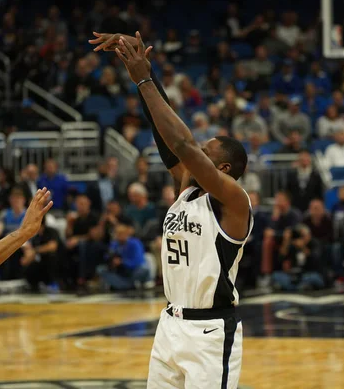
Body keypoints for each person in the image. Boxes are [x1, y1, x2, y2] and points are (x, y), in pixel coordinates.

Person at [91, 30, 253, 389]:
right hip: (169, 324)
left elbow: (182, 142)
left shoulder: (234, 200)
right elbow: (169, 138)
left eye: (206, 152)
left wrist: (144, 79)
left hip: (209, 332)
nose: (196, 151)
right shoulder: (186, 187)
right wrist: (143, 73)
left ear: (224, 170)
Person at [97, 219, 149, 290]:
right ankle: (127, 285)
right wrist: (112, 261)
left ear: (127, 234)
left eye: (122, 233)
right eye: (118, 234)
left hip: (133, 270)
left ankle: (122, 284)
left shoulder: (135, 243)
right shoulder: (114, 244)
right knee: (101, 269)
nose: (120, 236)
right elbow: (107, 256)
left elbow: (138, 261)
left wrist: (122, 262)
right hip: (120, 271)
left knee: (143, 269)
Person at [21, 216, 62, 292]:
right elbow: (32, 253)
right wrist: (27, 259)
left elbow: (52, 246)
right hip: (42, 262)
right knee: (30, 267)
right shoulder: (36, 237)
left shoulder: (51, 232)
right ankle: (34, 286)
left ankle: (54, 283)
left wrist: (35, 250)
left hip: (57, 262)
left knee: (51, 258)